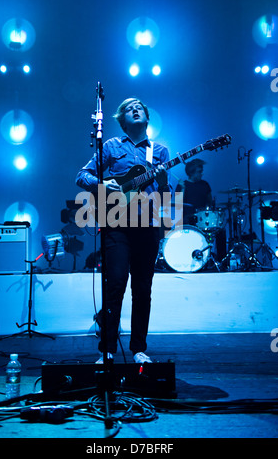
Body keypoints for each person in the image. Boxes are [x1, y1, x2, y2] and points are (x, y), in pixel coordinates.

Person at [76, 97, 171, 364]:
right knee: (115, 284)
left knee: (143, 289)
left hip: (148, 226)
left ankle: (139, 348)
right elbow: (81, 176)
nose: (136, 109)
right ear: (122, 120)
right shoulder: (111, 146)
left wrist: (163, 182)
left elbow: (166, 195)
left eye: (140, 106)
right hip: (116, 225)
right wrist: (104, 185)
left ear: (147, 116)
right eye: (129, 109)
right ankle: (106, 350)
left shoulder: (159, 151)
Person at [175, 158, 212, 224]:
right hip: (187, 221)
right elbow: (178, 205)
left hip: (203, 220)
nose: (202, 174)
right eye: (199, 172)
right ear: (191, 172)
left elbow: (210, 202)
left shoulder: (205, 184)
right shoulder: (181, 186)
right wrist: (183, 188)